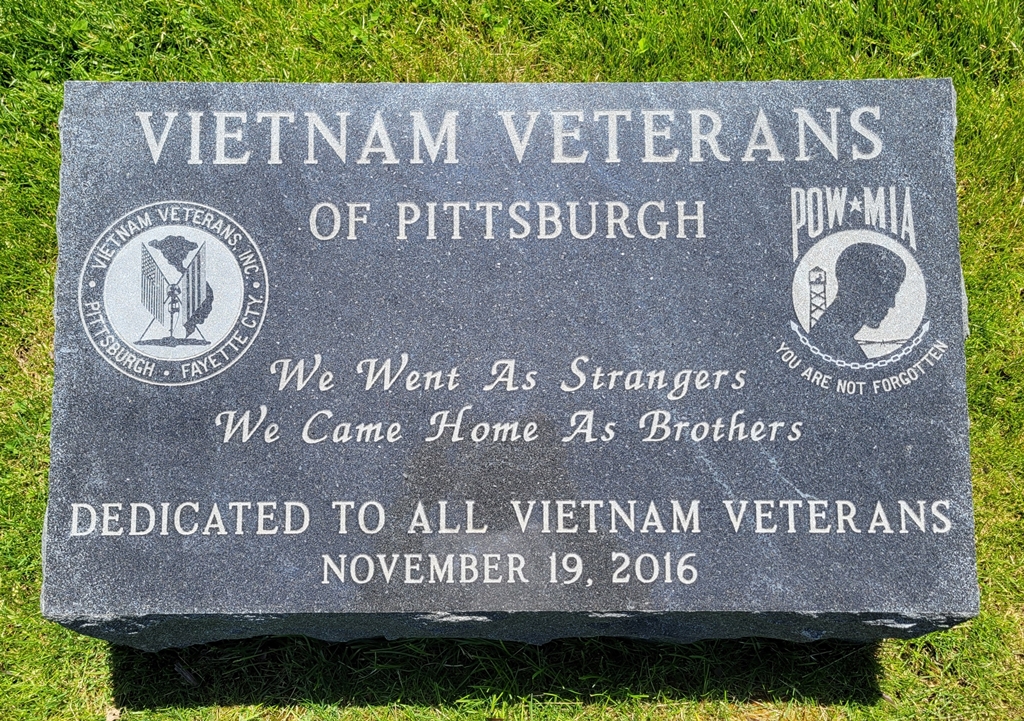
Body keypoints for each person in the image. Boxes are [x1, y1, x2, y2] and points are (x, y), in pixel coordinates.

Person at [810, 242, 906, 359]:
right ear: (861, 289)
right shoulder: (833, 346)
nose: (892, 304)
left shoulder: (829, 340)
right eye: (888, 294)